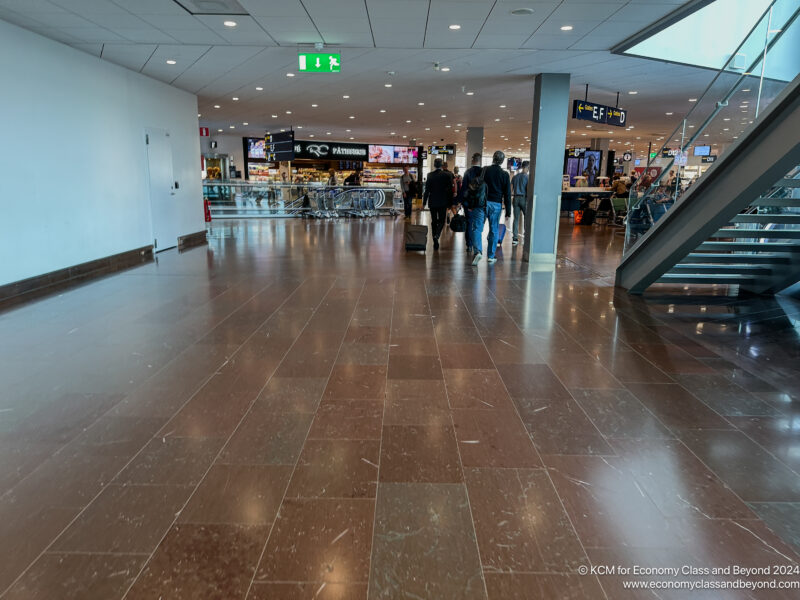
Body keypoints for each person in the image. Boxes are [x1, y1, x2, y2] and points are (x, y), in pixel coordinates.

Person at [471, 150, 511, 265]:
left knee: (477, 228)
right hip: (496, 205)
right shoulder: (504, 175)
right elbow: (507, 194)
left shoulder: (484, 170)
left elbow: (476, 186)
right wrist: (508, 211)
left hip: (482, 203)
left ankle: (478, 251)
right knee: (494, 230)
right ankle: (491, 256)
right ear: (502, 161)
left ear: (493, 158)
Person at [423, 158, 454, 250]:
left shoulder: (430, 175)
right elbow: (450, 191)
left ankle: (434, 239)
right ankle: (437, 235)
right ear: (441, 165)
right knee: (441, 220)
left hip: (432, 201)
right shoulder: (447, 175)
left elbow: (427, 191)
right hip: (442, 202)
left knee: (434, 221)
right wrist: (450, 203)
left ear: (434, 165)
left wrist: (424, 202)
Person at [459, 153, 482, 255]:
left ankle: (469, 245)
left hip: (468, 203)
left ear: (473, 161)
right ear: (480, 161)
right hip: (479, 204)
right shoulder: (483, 172)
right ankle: (477, 246)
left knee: (469, 223)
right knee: (478, 224)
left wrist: (462, 202)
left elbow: (464, 189)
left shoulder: (467, 172)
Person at [510, 160, 529, 246]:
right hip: (524, 199)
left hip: (515, 198)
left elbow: (511, 190)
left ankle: (515, 238)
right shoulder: (527, 177)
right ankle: (526, 235)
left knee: (516, 219)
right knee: (526, 218)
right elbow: (528, 190)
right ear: (527, 167)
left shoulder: (515, 177)